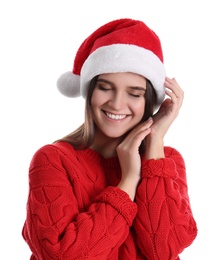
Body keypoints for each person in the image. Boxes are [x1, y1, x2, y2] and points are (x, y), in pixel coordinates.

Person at [22, 18, 197, 260]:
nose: (116, 104)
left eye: (134, 93)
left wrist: (155, 142)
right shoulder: (53, 160)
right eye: (105, 88)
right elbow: (61, 256)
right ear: (89, 90)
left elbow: (163, 250)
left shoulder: (167, 161)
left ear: (149, 101)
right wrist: (128, 180)